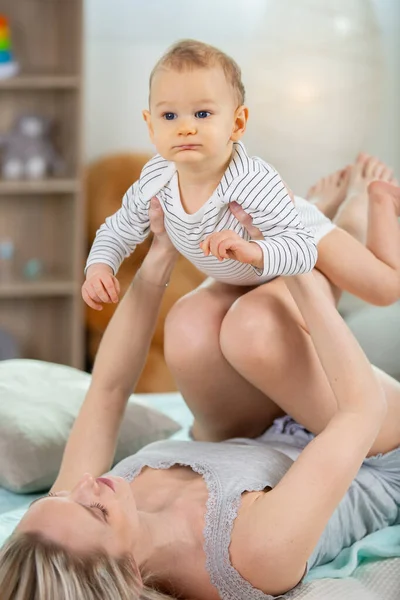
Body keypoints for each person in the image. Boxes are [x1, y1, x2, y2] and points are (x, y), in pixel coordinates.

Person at [1, 182, 400, 600]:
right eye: (96, 511)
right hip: (370, 452)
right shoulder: (252, 554)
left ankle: (311, 226)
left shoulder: (70, 521)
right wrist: (289, 255)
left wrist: (161, 252)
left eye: (64, 496)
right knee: (254, 326)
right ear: (131, 575)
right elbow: (360, 411)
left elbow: (109, 389)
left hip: (259, 434)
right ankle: (342, 225)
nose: (88, 485)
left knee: (190, 324)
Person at [82, 39, 400, 314]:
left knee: (384, 289)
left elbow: (301, 248)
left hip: (300, 231)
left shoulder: (251, 181)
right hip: (257, 255)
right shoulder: (157, 177)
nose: (185, 127)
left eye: (202, 113)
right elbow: (118, 229)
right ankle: (319, 202)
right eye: (169, 115)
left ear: (237, 123)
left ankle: (371, 200)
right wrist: (99, 266)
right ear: (151, 126)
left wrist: (256, 252)